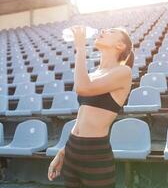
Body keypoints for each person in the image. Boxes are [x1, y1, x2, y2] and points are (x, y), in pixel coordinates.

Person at [48, 26, 134, 187]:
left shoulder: (123, 72)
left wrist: (80, 48)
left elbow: (82, 88)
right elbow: (82, 117)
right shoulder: (94, 74)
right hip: (72, 148)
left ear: (120, 46)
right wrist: (64, 150)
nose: (104, 30)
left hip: (95, 153)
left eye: (111, 31)